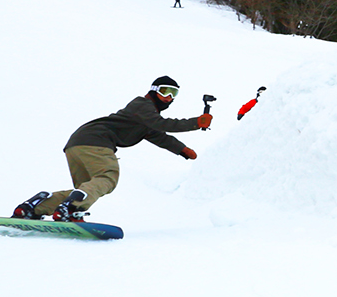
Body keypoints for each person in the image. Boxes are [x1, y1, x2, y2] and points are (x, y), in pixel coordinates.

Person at [11, 76, 211, 222]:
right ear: (153, 90)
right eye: (164, 91)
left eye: (173, 94)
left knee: (87, 189)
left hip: (77, 144)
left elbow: (157, 135)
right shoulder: (142, 105)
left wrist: (182, 149)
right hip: (95, 142)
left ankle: (35, 208)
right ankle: (71, 209)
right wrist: (195, 123)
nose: (168, 97)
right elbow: (160, 124)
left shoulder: (146, 118)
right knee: (108, 178)